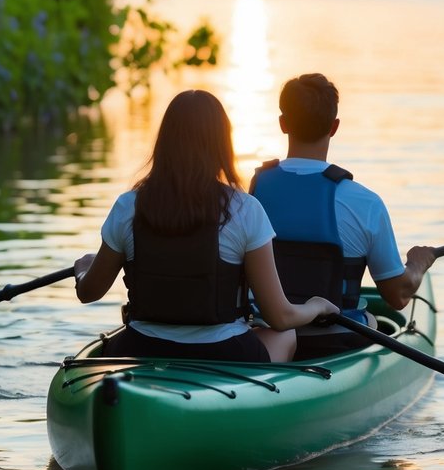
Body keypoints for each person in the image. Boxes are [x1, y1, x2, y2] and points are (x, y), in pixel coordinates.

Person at [73, 89, 339, 364]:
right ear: (222, 143)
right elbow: (280, 317)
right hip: (223, 354)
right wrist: (315, 306)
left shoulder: (128, 206)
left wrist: (83, 270)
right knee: (285, 335)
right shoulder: (244, 210)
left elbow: (89, 292)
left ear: (165, 141)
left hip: (141, 348)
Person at [250, 73, 435, 353]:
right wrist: (418, 264)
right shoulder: (365, 202)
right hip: (333, 338)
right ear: (334, 127)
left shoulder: (251, 193)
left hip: (265, 332)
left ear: (283, 123)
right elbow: (397, 296)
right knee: (373, 319)